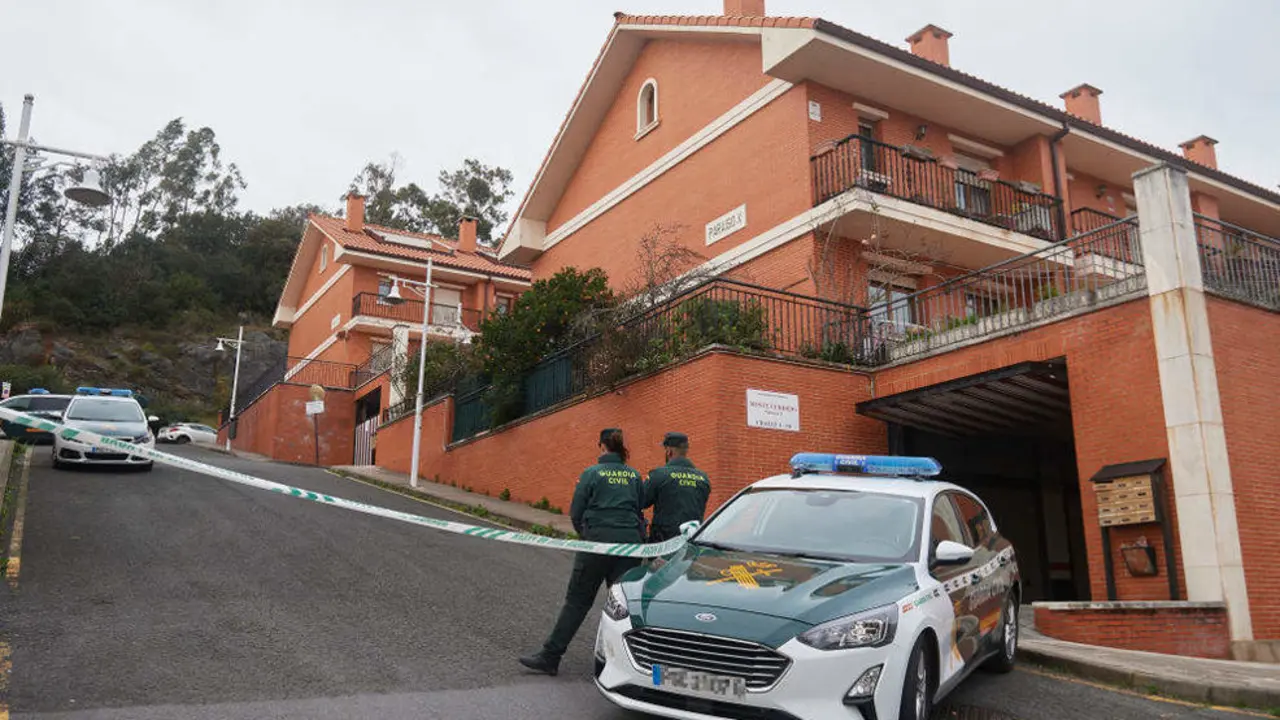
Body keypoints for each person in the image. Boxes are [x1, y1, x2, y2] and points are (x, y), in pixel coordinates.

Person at [519, 428, 644, 676]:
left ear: (601, 446)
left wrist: (586, 537)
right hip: (629, 546)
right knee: (625, 605)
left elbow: (576, 511)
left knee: (577, 602)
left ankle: (550, 657)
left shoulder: (591, 473)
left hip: (596, 544)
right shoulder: (634, 475)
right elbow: (639, 509)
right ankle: (630, 664)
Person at [643, 432, 711, 542]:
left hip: (664, 545)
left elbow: (641, 501)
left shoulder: (659, 475)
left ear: (669, 451)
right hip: (692, 542)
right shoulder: (703, 478)